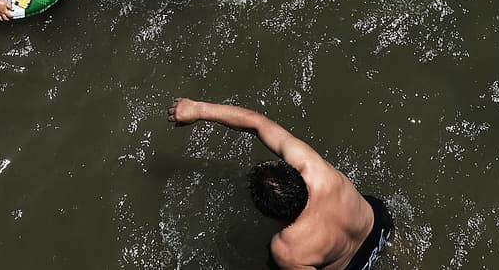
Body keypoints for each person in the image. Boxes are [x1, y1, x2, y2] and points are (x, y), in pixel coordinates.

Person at [167, 98, 393, 270]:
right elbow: (257, 123)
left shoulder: (286, 247)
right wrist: (198, 108)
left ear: (272, 216)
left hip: (355, 266)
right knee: (398, 250)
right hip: (379, 221)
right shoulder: (313, 167)